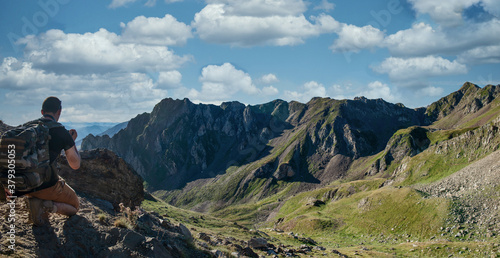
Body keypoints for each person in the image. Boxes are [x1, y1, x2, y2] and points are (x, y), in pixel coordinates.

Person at [25, 96, 81, 226]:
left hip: (21, 184)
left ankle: (34, 198)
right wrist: (71, 141)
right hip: (45, 185)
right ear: (59, 112)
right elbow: (75, 165)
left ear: (42, 112)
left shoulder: (26, 128)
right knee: (75, 206)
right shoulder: (61, 132)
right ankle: (46, 206)